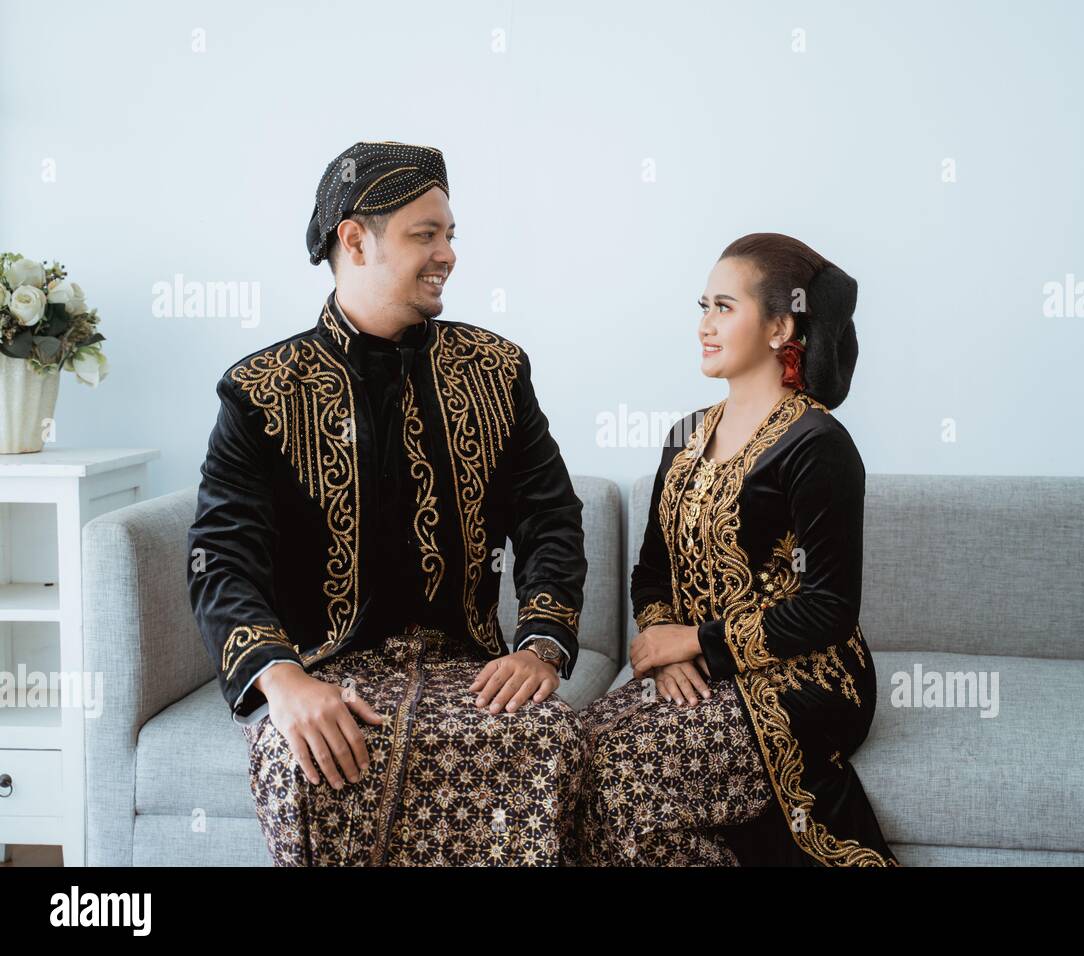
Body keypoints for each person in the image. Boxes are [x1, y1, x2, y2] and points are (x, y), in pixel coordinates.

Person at [187, 141, 588, 866]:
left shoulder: (495, 368)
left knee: (547, 737)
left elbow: (548, 514)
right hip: (322, 664)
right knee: (304, 760)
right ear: (355, 240)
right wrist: (282, 680)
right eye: (425, 234)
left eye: (450, 235)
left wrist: (541, 643)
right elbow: (222, 557)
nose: (448, 254)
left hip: (469, 666)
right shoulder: (259, 391)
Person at [574, 233, 899, 866]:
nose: (704, 325)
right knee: (577, 757)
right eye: (702, 306)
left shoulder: (817, 445)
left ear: (781, 326)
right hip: (694, 672)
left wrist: (692, 642)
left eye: (724, 307)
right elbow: (650, 573)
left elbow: (827, 608)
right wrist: (667, 646)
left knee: (624, 778)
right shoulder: (684, 435)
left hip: (807, 679)